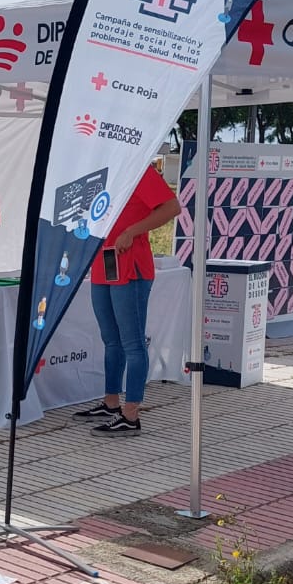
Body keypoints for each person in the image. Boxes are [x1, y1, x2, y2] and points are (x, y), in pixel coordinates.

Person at [74, 162, 181, 435]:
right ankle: (111, 402)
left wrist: (132, 231)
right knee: (111, 340)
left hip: (130, 266)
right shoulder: (100, 174)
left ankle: (131, 413)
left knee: (132, 342)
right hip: (104, 263)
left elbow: (171, 207)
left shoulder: (138, 169)